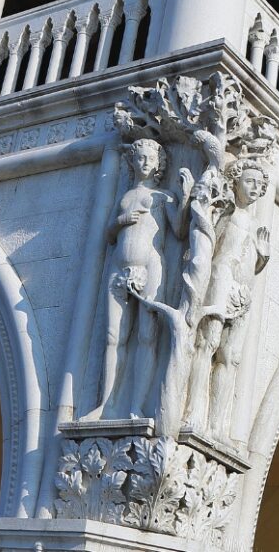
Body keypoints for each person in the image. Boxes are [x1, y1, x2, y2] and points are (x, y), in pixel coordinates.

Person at [96, 138, 188, 419]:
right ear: (132, 161)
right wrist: (122, 220)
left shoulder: (162, 197)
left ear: (159, 164)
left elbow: (180, 230)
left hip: (150, 265)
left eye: (150, 159)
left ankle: (136, 405)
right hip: (118, 267)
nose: (145, 163)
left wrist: (184, 197)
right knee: (114, 337)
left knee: (147, 336)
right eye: (141, 158)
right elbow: (109, 233)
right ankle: (106, 403)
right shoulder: (125, 197)